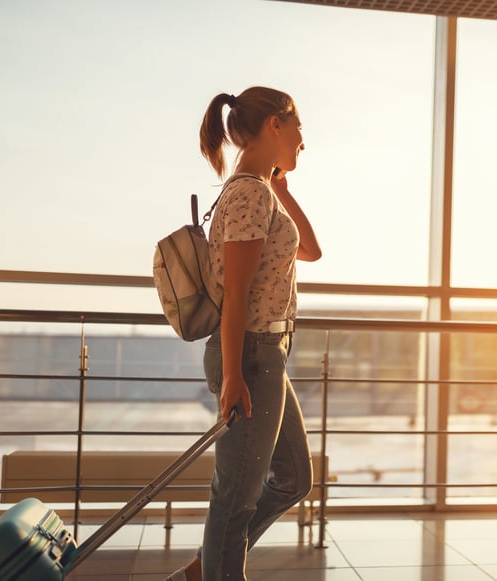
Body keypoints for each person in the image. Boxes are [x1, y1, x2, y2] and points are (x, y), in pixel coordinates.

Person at [168, 86, 321, 581]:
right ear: (275, 124)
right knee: (234, 501)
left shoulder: (261, 190)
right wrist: (233, 376)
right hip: (251, 357)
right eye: (298, 126)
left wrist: (284, 187)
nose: (304, 140)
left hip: (265, 354)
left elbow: (312, 251)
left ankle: (206, 567)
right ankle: (215, 569)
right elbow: (235, 295)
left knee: (294, 478)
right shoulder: (249, 194)